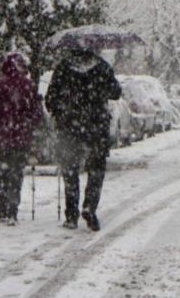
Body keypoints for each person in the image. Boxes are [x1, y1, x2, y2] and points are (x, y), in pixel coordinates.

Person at [45, 48, 122, 231]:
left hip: (69, 127)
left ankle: (71, 214)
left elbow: (50, 99)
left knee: (70, 170)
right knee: (96, 169)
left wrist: (60, 110)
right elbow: (116, 92)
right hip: (96, 126)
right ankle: (89, 206)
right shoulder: (102, 67)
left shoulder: (64, 67)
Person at [0, 52, 43, 225]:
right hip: (21, 136)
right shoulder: (29, 86)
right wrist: (32, 129)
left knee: (3, 172)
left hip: (1, 136)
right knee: (16, 173)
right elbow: (37, 115)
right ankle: (13, 208)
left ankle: (3, 208)